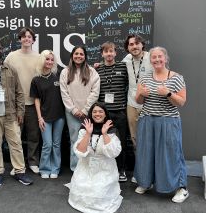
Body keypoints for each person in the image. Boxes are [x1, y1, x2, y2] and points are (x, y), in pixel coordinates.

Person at [134, 46, 189, 203]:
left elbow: (182, 102)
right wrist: (140, 94)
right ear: (150, 60)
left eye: (160, 57)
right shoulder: (144, 77)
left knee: (172, 154)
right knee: (146, 153)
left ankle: (181, 188)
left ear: (165, 58)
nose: (157, 60)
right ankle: (145, 182)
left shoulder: (176, 77)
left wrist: (169, 93)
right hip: (147, 120)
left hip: (168, 121)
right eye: (154, 57)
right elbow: (139, 101)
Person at [0, 40, 33, 187]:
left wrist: (20, 111)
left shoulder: (10, 69)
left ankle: (20, 172)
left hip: (11, 113)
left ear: (2, 50)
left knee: (16, 144)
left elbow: (20, 92)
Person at [67, 102, 123, 213]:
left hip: (105, 169)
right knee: (84, 191)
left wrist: (105, 133)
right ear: (91, 114)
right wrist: (88, 133)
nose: (97, 114)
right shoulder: (84, 128)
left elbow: (113, 153)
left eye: (100, 111)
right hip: (86, 166)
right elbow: (80, 151)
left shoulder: (112, 130)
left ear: (105, 114)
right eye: (95, 111)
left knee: (99, 192)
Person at [5, 27, 41, 174]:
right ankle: (17, 165)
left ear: (33, 40)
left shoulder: (39, 57)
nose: (27, 39)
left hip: (33, 103)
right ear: (19, 39)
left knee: (33, 135)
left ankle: (33, 162)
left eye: (29, 37)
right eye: (24, 37)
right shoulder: (11, 57)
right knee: (15, 136)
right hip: (15, 104)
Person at [60, 46, 100, 171]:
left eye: (81, 54)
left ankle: (87, 169)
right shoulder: (65, 72)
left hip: (88, 113)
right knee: (74, 140)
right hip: (72, 113)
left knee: (88, 140)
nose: (79, 56)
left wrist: (85, 110)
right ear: (72, 55)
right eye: (76, 53)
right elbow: (64, 93)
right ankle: (75, 169)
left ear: (85, 56)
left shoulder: (92, 71)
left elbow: (95, 92)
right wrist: (74, 110)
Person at [96, 42, 129, 182]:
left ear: (115, 53)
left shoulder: (123, 67)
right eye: (106, 51)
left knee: (121, 142)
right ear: (102, 54)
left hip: (120, 111)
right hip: (104, 114)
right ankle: (106, 169)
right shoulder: (97, 69)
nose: (109, 54)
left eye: (111, 51)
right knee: (104, 141)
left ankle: (122, 170)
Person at [30, 50, 65, 179]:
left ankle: (55, 169)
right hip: (45, 117)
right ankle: (45, 168)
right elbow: (36, 100)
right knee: (47, 144)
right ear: (42, 60)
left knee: (56, 144)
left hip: (59, 116)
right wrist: (39, 118)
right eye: (47, 59)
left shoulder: (58, 75)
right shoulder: (36, 80)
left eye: (51, 59)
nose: (50, 62)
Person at [122, 34, 153, 150]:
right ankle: (140, 165)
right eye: (131, 44)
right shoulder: (126, 59)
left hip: (149, 104)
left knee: (149, 136)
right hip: (132, 104)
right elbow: (113, 66)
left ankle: (150, 165)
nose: (134, 47)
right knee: (135, 137)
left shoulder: (151, 58)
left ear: (142, 45)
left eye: (137, 43)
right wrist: (100, 65)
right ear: (128, 47)